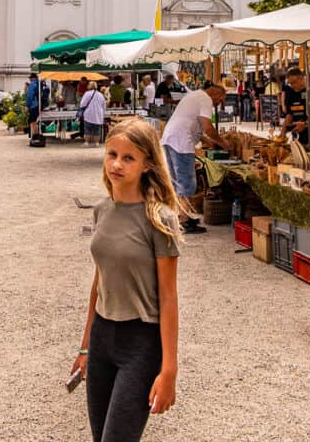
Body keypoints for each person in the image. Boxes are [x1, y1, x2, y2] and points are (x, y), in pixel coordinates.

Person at [70, 119, 180, 442]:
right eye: (112, 154)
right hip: (103, 337)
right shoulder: (102, 211)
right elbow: (98, 283)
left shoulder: (159, 220)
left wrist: (169, 369)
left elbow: (168, 297)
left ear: (147, 164)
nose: (117, 164)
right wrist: (85, 345)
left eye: (128, 158)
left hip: (141, 342)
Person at [161, 85, 227, 234]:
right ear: (215, 93)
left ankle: (180, 216)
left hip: (170, 138)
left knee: (177, 181)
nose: (219, 103)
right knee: (186, 182)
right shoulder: (205, 99)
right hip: (181, 142)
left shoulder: (194, 95)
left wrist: (204, 139)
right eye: (221, 99)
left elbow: (191, 121)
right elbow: (208, 127)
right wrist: (223, 143)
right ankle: (184, 221)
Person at [25, 73, 40, 139]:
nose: (30, 80)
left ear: (33, 78)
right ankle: (36, 136)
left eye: (30, 78)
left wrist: (27, 105)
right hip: (39, 105)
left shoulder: (32, 84)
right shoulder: (40, 83)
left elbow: (30, 96)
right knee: (34, 121)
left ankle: (36, 137)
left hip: (33, 105)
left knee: (32, 121)